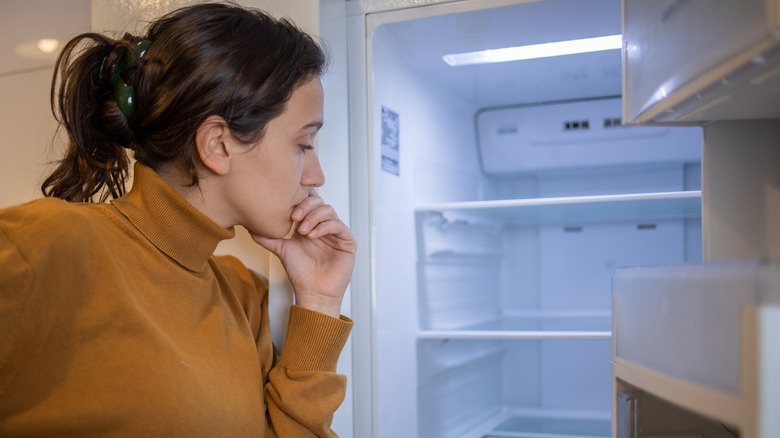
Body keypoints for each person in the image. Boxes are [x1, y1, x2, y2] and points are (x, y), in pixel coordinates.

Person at [0, 3, 355, 437]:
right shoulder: (42, 247)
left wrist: (319, 301)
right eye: (305, 143)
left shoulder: (243, 296)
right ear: (218, 145)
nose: (317, 177)